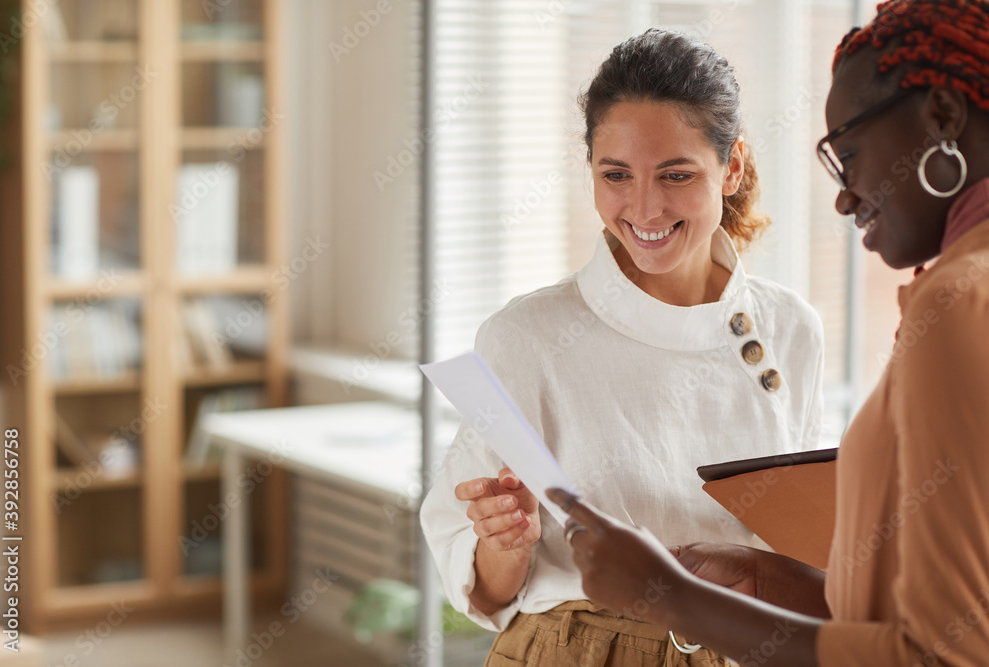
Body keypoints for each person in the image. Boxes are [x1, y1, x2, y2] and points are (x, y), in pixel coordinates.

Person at [549, 1, 989, 664]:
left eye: (846, 153)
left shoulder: (959, 303)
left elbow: (936, 655)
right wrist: (772, 581)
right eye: (615, 173)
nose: (845, 196)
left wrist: (669, 595)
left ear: (943, 118)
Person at [420, 28, 825, 665]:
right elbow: (488, 592)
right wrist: (505, 543)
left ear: (733, 167)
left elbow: (798, 542)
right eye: (616, 174)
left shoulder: (791, 329)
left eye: (676, 174)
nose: (644, 207)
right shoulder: (527, 337)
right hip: (574, 648)